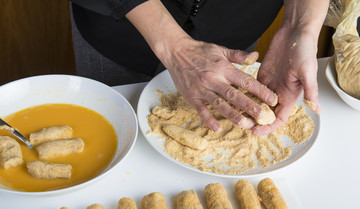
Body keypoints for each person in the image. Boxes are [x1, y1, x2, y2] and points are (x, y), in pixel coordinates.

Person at [70, 0, 328, 136]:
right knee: (110, 136)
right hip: (121, 26)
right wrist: (175, 48)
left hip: (234, 29)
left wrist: (300, 27)